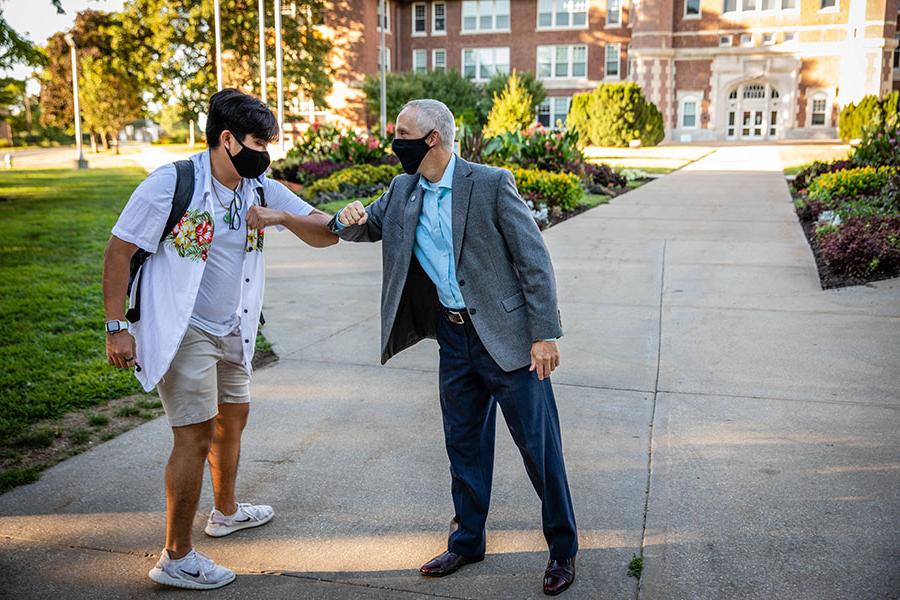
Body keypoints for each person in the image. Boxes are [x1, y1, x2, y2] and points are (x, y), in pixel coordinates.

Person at [332, 99, 578, 596]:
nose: (393, 139)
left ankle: (562, 550)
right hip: (454, 338)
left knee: (539, 447)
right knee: (463, 445)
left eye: (402, 132)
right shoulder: (403, 190)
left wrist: (544, 333)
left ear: (433, 139)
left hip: (507, 340)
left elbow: (534, 261)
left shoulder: (488, 183)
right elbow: (367, 226)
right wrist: (345, 218)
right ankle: (467, 541)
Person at [102, 88, 336, 590]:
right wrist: (117, 326)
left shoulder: (258, 187)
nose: (265, 152)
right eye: (258, 141)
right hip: (184, 325)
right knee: (194, 434)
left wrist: (283, 217)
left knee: (234, 417)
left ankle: (226, 512)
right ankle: (177, 555)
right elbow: (118, 252)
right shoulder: (172, 183)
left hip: (235, 325)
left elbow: (324, 230)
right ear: (227, 140)